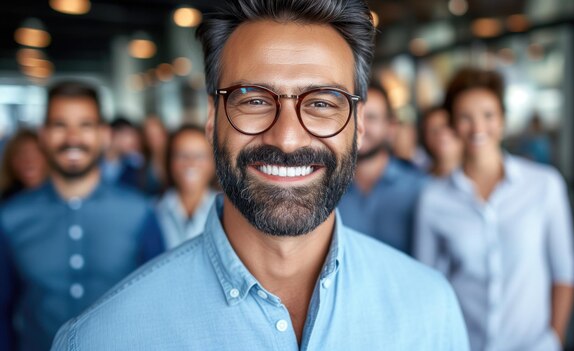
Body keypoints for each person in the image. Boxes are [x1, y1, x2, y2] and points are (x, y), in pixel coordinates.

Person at [52, 1, 469, 350]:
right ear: (213, 120)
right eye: (253, 100)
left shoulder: (430, 309)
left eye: (323, 103)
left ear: (358, 126)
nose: (287, 138)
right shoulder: (102, 338)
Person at [414, 68, 574, 351]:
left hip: (534, 345)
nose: (478, 128)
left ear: (502, 120)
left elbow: (564, 271)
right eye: (465, 117)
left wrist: (554, 340)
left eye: (488, 115)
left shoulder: (544, 185)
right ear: (452, 124)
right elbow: (426, 282)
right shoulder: (433, 198)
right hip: (462, 342)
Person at [0, 81, 164, 351]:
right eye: (60, 125)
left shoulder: (140, 214)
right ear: (43, 135)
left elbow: (160, 308)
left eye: (85, 125)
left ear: (104, 134)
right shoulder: (10, 219)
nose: (72, 138)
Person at [338, 83, 428, 254]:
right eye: (353, 116)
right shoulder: (327, 186)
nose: (360, 126)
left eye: (370, 117)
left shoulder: (420, 188)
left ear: (391, 128)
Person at [156, 125, 217, 249]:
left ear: (213, 163)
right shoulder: (154, 211)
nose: (191, 163)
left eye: (200, 156)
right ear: (170, 162)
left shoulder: (227, 212)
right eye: (182, 155)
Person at [0, 129, 48, 200]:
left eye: (34, 154)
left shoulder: (63, 195)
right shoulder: (7, 202)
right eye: (20, 155)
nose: (29, 161)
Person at [418, 106, 462, 178]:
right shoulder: (418, 181)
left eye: (447, 126)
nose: (441, 134)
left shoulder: (480, 174)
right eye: (433, 130)